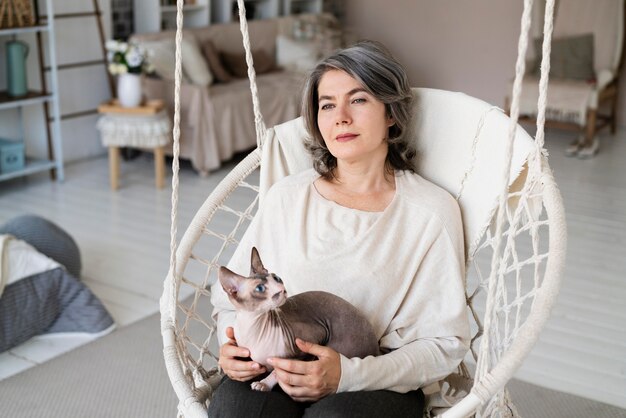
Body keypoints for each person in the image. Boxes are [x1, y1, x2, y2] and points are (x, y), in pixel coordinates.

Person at [208, 40, 470, 417]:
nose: (340, 117)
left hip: (378, 377)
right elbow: (230, 302)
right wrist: (232, 348)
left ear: (391, 113)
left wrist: (347, 374)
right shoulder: (287, 197)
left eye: (358, 100)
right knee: (237, 407)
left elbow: (445, 343)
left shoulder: (430, 212)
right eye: (327, 105)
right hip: (276, 363)